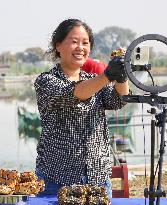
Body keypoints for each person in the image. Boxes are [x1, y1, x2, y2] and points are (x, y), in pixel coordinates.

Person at [34, 18, 130, 197]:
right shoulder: (46, 81)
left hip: (98, 178)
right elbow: (74, 94)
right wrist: (108, 74)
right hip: (56, 180)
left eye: (85, 43)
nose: (80, 48)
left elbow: (119, 100)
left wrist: (122, 75)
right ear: (58, 46)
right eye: (74, 42)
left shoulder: (93, 79)